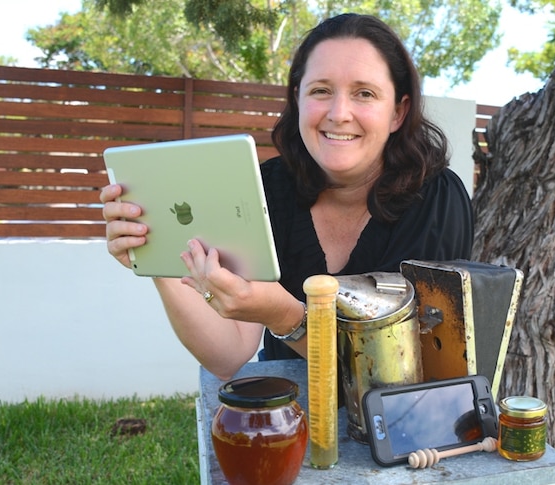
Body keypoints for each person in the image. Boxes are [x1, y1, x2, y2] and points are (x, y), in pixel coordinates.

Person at [100, 13, 473, 381]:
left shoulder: (437, 200)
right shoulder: (266, 188)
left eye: (364, 93)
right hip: (286, 420)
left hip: (404, 432)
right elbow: (227, 354)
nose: (339, 113)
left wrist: (287, 317)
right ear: (298, 99)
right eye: (321, 91)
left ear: (398, 112)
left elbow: (408, 371)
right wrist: (155, 256)